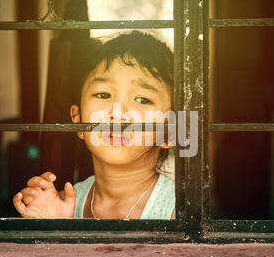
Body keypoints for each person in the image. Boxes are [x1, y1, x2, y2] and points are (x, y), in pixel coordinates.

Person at [13, 31, 175, 220]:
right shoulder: (64, 205)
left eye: (142, 99)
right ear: (78, 119)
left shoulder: (179, 212)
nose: (117, 113)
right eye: (103, 95)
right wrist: (54, 225)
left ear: (170, 132)